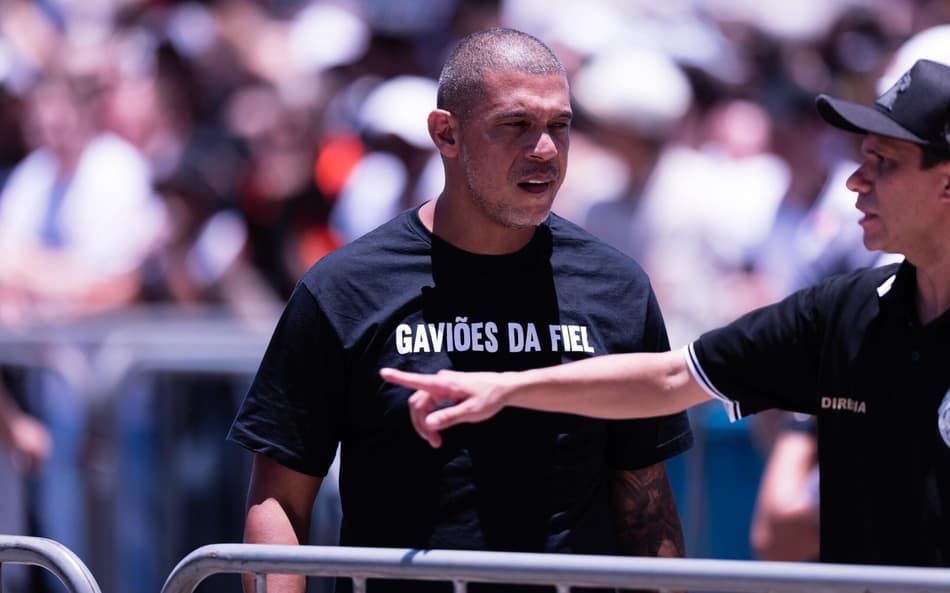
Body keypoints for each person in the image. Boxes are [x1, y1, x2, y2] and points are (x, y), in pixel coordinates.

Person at [382, 58, 950, 568]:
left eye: (885, 163)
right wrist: (504, 388)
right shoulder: (843, 309)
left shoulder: (705, 202)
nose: (855, 180)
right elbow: (670, 377)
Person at [228, 27, 693, 593]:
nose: (545, 150)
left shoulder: (616, 287)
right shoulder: (345, 287)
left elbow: (646, 502)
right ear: (446, 133)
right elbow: (280, 498)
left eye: (559, 126)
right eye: (516, 124)